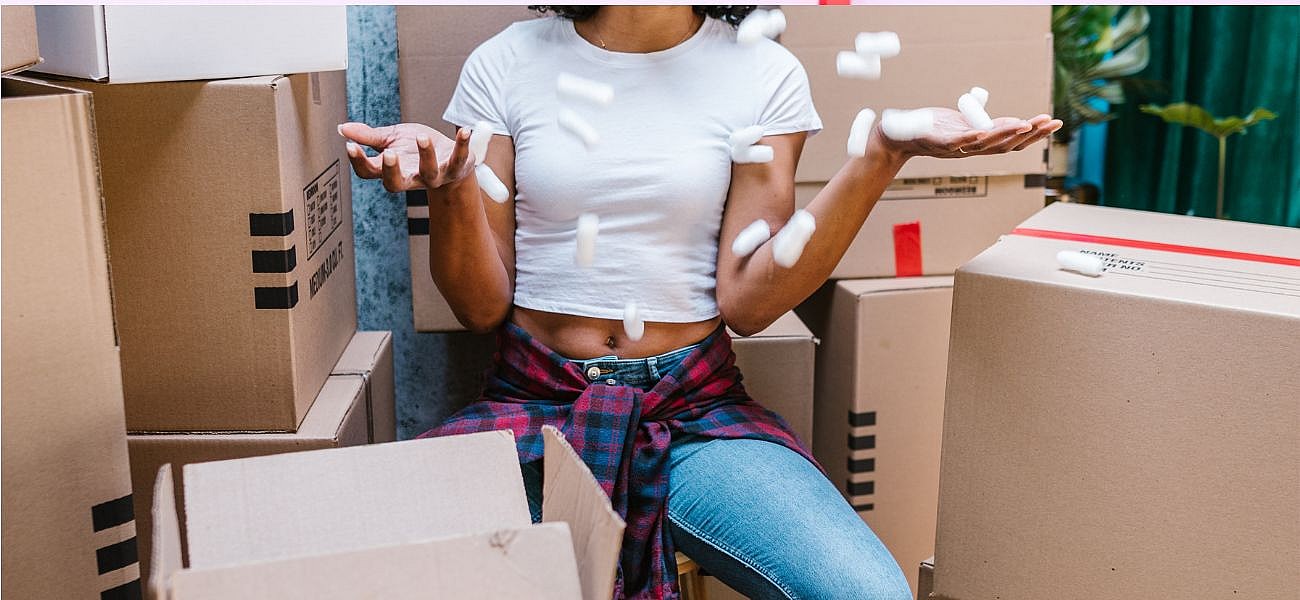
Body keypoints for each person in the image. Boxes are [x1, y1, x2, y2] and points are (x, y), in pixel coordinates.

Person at [340, 5, 1060, 599]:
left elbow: (748, 302)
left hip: (692, 414)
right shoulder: (507, 61)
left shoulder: (762, 72)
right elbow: (479, 305)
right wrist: (453, 185)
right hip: (536, 405)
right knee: (351, 561)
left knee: (869, 593)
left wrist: (881, 153)